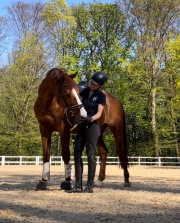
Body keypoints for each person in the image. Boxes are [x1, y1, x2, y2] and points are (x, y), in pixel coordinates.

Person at [70, 71, 107, 193]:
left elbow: (99, 113)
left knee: (90, 154)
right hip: (81, 124)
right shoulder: (85, 91)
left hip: (92, 126)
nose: (92, 84)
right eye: (91, 82)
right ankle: (77, 185)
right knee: (77, 152)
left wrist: (91, 118)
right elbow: (77, 101)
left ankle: (89, 186)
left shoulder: (101, 96)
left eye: (95, 84)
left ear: (100, 85)